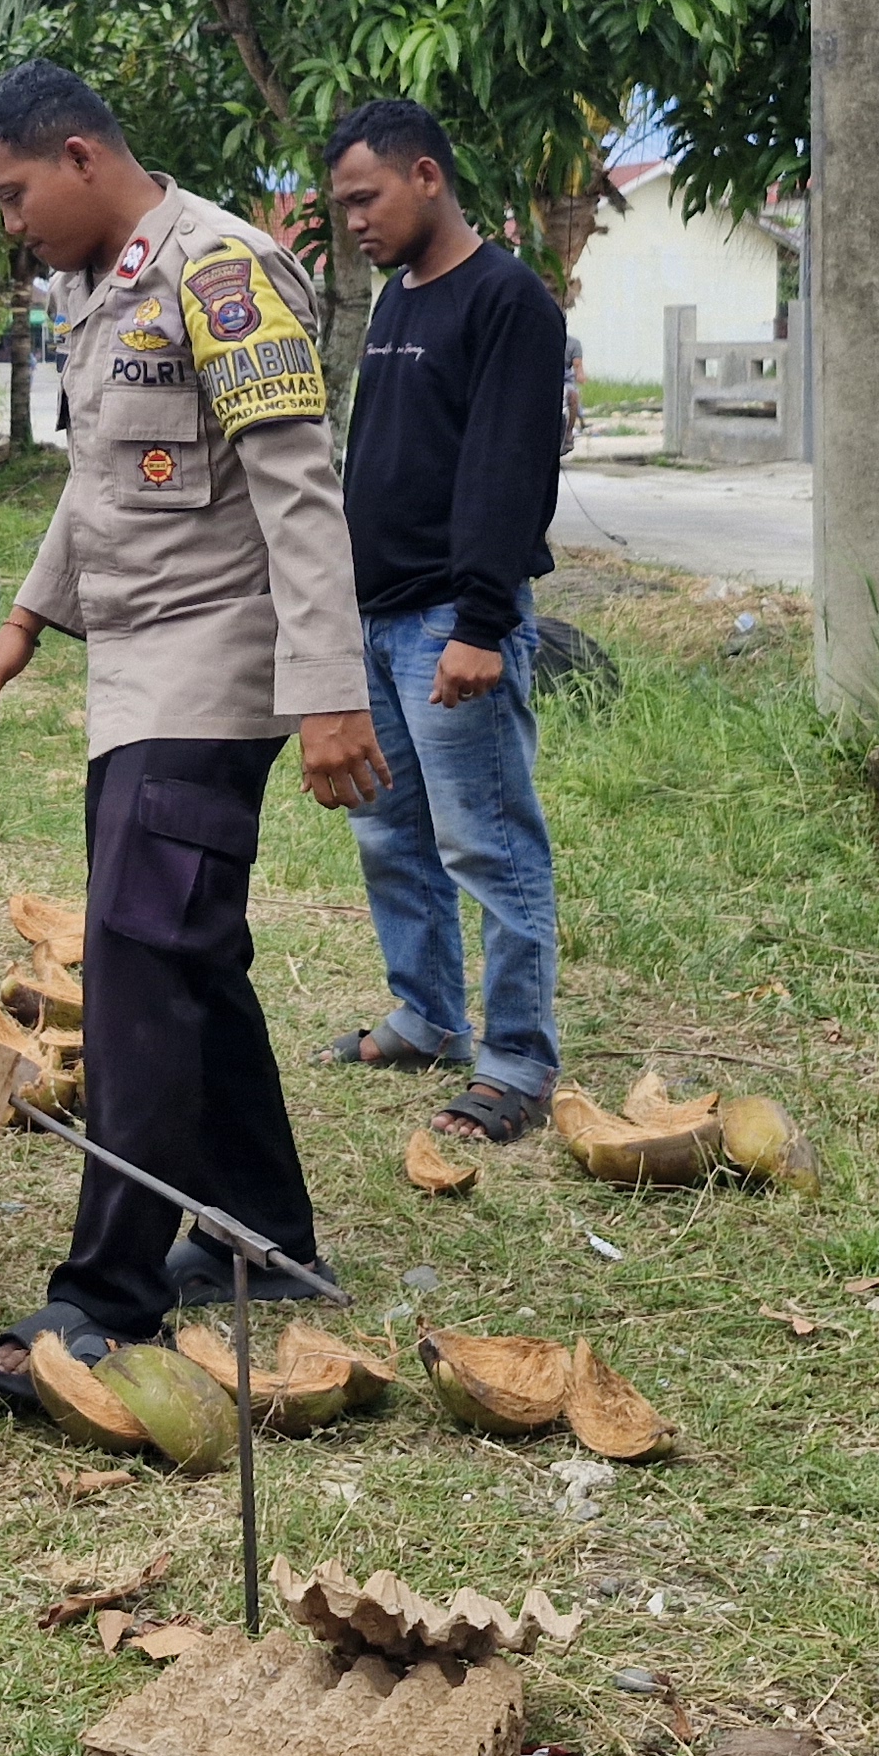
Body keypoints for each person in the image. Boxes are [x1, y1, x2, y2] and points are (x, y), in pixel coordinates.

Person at [0, 61, 389, 1395]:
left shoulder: (221, 271)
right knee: (187, 955)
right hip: (134, 673)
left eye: (14, 194)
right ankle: (268, 1238)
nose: (10, 223)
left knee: (138, 970)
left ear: (81, 158)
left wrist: (329, 691)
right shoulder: (100, 288)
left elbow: (298, 489)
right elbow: (99, 483)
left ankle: (106, 1297)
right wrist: (23, 621)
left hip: (213, 669)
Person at [313, 97, 571, 1148]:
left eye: (364, 198)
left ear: (426, 176)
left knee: (489, 846)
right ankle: (426, 1017)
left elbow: (510, 473)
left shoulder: (509, 299)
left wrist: (479, 622)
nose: (353, 223)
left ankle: (517, 1063)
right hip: (375, 619)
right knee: (388, 833)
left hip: (448, 625)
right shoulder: (396, 300)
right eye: (341, 206)